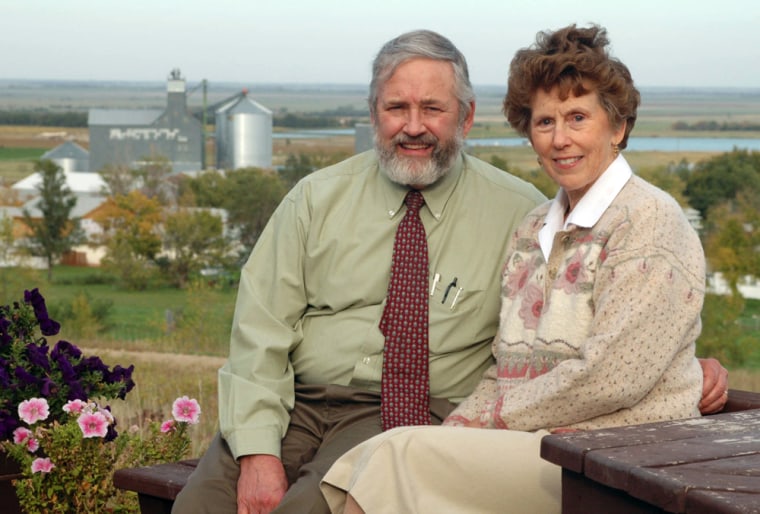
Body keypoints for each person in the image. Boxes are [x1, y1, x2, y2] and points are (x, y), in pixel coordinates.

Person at [174, 29, 728, 514]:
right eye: (397, 108)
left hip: (424, 414)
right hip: (297, 403)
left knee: (328, 499)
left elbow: (616, 364)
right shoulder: (319, 200)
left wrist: (676, 363)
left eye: (433, 109)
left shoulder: (532, 211)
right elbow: (259, 333)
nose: (414, 127)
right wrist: (258, 452)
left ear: (464, 117)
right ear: (374, 115)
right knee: (202, 504)